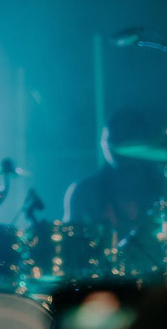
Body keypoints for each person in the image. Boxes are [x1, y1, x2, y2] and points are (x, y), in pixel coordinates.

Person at [63, 109, 164, 275]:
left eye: (122, 139)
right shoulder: (84, 191)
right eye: (110, 140)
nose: (114, 147)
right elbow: (69, 246)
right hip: (99, 283)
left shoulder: (161, 189)